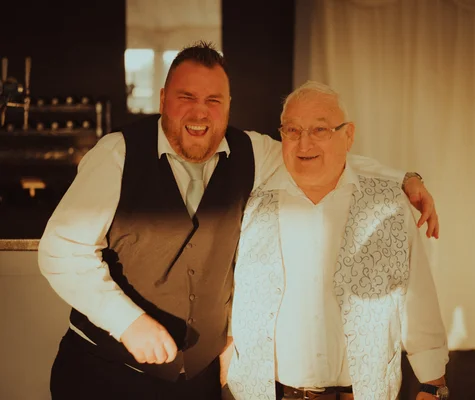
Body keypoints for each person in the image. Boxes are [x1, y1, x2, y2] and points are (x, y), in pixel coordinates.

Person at [38, 42, 439, 400]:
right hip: (106, 377)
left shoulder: (252, 153)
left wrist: (404, 179)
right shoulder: (117, 154)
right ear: (163, 99)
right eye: (186, 97)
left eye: (213, 100)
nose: (200, 111)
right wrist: (128, 323)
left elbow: (322, 156)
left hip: (196, 386)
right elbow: (60, 251)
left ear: (229, 105)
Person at [226, 81, 449, 400]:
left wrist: (432, 383)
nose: (304, 142)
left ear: (348, 135)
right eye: (292, 130)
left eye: (320, 129)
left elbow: (416, 295)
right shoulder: (251, 203)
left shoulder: (388, 204)